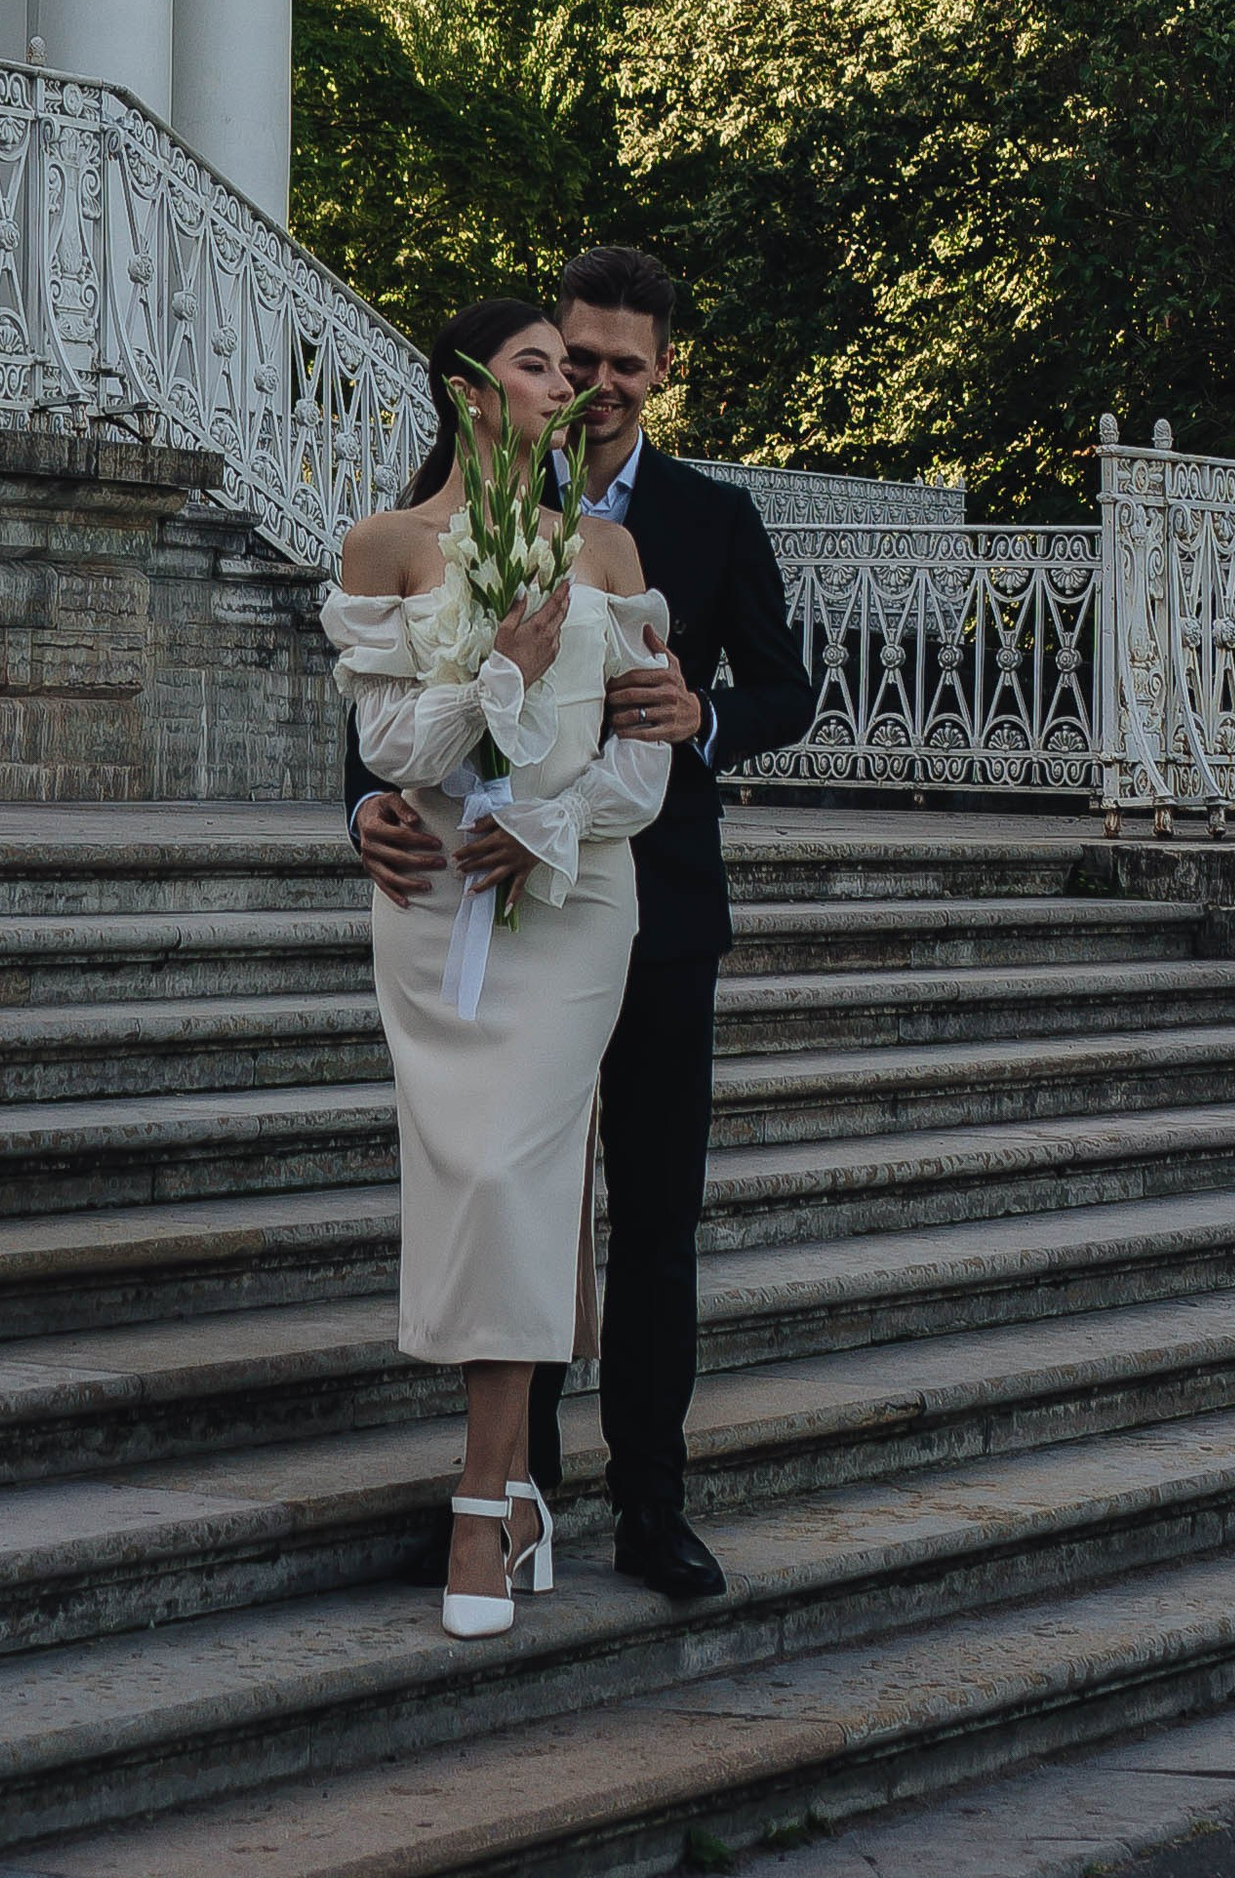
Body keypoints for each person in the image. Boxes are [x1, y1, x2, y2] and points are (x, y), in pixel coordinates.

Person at [350, 244, 813, 1603]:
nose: (599, 383)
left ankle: (651, 1501)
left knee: (652, 1216)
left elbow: (786, 690)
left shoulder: (709, 517)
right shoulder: (454, 517)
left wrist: (703, 717)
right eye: (578, 356)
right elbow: (382, 716)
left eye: (624, 363)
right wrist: (359, 814)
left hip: (646, 904)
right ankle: (517, 1482)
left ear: (661, 370)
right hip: (479, 901)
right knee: (519, 1190)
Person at [322, 295, 674, 1640]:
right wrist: (497, 677)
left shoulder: (606, 545)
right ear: (473, 392)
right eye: (542, 366)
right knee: (469, 1173)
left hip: (576, 895)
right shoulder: (385, 545)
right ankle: (521, 1493)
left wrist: (546, 823)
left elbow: (645, 750)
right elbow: (395, 753)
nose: (571, 387)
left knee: (523, 1164)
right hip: (432, 896)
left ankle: (483, 1498)